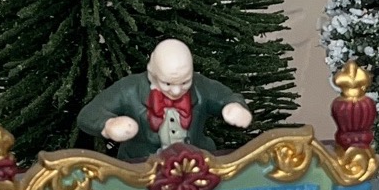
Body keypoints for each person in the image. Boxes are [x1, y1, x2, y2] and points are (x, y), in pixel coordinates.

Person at [75, 38, 252, 162]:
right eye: (167, 84)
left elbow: (226, 96)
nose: (176, 91)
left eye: (185, 82)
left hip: (197, 164)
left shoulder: (200, 86)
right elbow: (88, 114)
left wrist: (234, 107)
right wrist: (109, 125)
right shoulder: (129, 89)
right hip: (141, 167)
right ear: (152, 72)